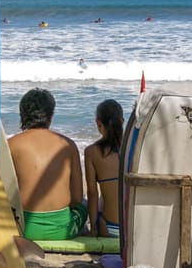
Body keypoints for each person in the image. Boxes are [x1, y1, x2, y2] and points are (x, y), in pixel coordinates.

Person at [8, 88, 86, 240]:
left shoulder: (11, 144)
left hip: (23, 228)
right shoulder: (68, 145)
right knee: (84, 205)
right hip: (62, 230)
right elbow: (76, 197)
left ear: (22, 115)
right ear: (50, 116)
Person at [83, 99, 124, 237]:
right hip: (134, 226)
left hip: (109, 227)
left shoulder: (91, 152)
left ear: (98, 123)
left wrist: (94, 229)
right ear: (122, 121)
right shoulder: (134, 146)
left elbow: (92, 193)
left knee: (100, 197)